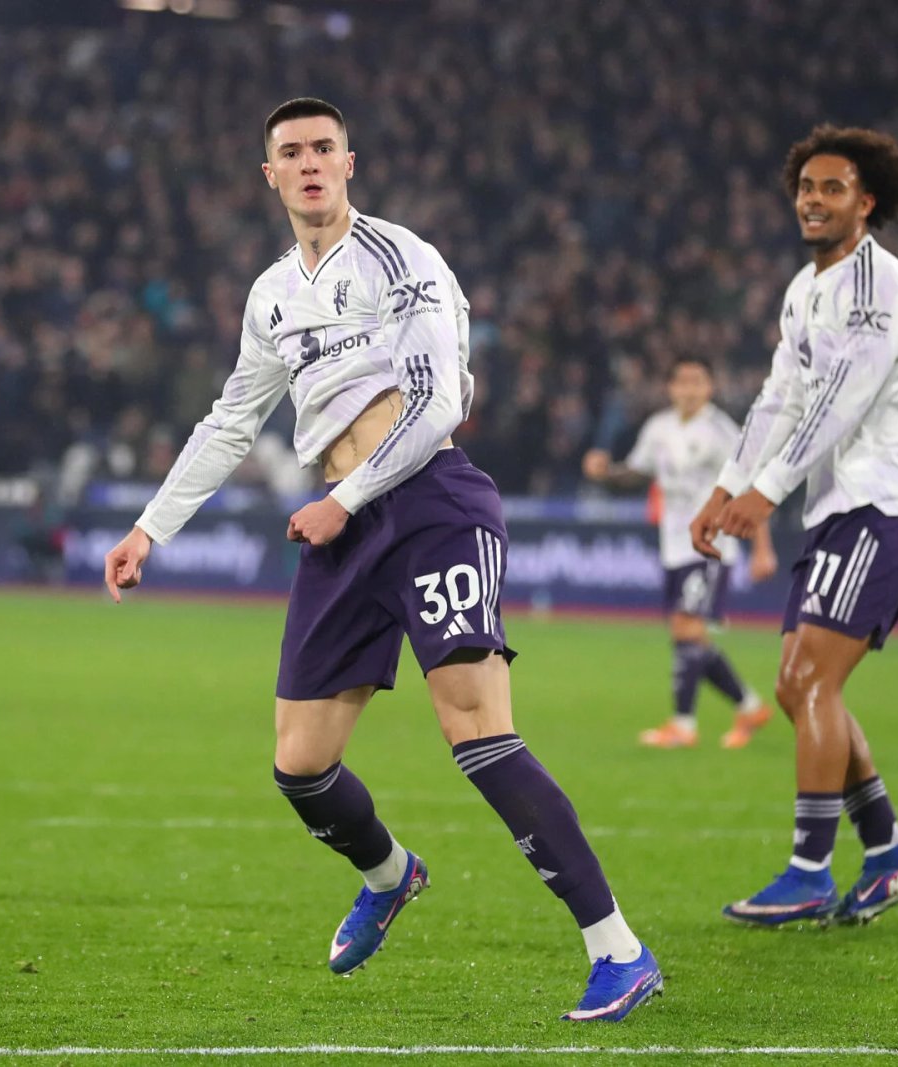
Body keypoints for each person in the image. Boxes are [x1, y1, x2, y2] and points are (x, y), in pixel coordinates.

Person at [101, 98, 661, 1022]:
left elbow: (439, 403)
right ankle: (391, 874)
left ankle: (619, 950)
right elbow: (232, 420)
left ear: (349, 162)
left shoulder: (402, 259)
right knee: (299, 765)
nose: (309, 162)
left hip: (431, 505)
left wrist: (345, 497)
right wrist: (149, 528)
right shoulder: (271, 295)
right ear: (270, 175)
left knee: (477, 730)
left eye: (324, 147)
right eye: (291, 152)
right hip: (343, 527)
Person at [689, 125, 898, 927]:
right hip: (840, 510)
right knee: (798, 686)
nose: (813, 199)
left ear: (866, 203)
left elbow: (844, 399)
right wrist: (725, 485)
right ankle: (890, 854)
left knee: (810, 681)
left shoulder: (876, 281)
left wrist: (765, 492)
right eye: (806, 186)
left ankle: (809, 872)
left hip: (884, 504)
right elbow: (780, 400)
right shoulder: (805, 290)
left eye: (833, 188)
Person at [583, 356, 779, 749]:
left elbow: (750, 489)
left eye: (697, 381)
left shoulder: (721, 431)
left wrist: (762, 548)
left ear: (710, 387)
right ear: (670, 388)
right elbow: (638, 473)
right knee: (689, 635)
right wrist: (606, 472)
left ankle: (683, 725)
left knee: (687, 629)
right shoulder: (658, 427)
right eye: (682, 381)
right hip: (672, 547)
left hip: (710, 545)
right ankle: (749, 706)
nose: (689, 389)